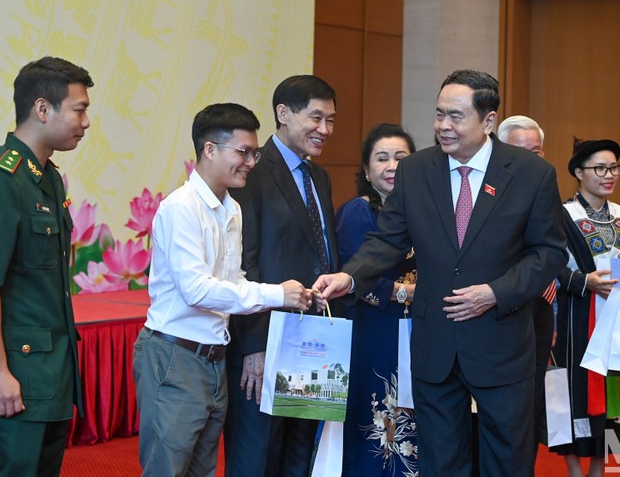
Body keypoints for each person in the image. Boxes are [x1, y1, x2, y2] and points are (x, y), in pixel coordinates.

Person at [313, 69, 567, 476]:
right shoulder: (417, 170)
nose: (443, 126)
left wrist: (495, 292)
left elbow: (548, 253)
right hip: (435, 347)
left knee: (507, 461)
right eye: (438, 114)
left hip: (500, 341)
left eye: (455, 116)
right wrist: (351, 276)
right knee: (440, 462)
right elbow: (387, 239)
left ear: (487, 121)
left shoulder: (530, 174)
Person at [132, 103, 311, 476]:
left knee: (202, 469)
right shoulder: (180, 208)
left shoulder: (231, 208)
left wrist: (284, 294)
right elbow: (197, 289)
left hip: (214, 357)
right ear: (210, 150)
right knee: (168, 468)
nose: (250, 162)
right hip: (174, 356)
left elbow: (234, 280)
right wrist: (277, 294)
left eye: (254, 153)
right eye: (243, 152)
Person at [0, 56, 93, 476]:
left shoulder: (48, 178)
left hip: (50, 377)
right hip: (15, 377)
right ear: (43, 109)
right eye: (79, 109)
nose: (86, 121)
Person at [223, 75, 339, 477]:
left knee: (299, 452)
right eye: (316, 118)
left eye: (331, 121)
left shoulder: (318, 176)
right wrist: (253, 344)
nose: (324, 130)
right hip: (266, 340)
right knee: (257, 455)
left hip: (313, 341)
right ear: (284, 114)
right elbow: (244, 264)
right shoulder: (251, 172)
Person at [334, 123, 418, 476]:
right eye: (381, 158)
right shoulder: (358, 211)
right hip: (374, 330)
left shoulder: (424, 213)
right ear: (367, 171)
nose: (392, 166)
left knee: (412, 419)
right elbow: (354, 278)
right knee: (375, 415)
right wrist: (406, 292)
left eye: (402, 158)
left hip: (416, 331)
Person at [553, 139, 620, 477]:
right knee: (573, 389)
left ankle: (600, 467)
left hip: (618, 320)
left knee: (615, 390)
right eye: (600, 168)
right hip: (578, 318)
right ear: (578, 172)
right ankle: (574, 467)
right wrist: (583, 281)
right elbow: (548, 265)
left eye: (614, 167)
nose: (609, 175)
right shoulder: (561, 214)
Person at [497, 115, 557, 469]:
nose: (529, 160)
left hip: (538, 309)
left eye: (535, 152)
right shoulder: (487, 193)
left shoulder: (545, 188)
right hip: (498, 308)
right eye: (520, 151)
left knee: (532, 399)